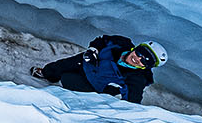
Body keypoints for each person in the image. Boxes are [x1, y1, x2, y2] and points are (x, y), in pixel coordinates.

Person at [31, 35, 166, 104]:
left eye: (146, 60)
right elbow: (102, 40)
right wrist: (93, 50)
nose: (138, 58)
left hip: (94, 84)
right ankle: (45, 74)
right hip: (87, 63)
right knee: (58, 67)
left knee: (67, 79)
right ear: (136, 48)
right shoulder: (121, 44)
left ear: (146, 67)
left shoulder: (136, 79)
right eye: (141, 52)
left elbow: (132, 102)